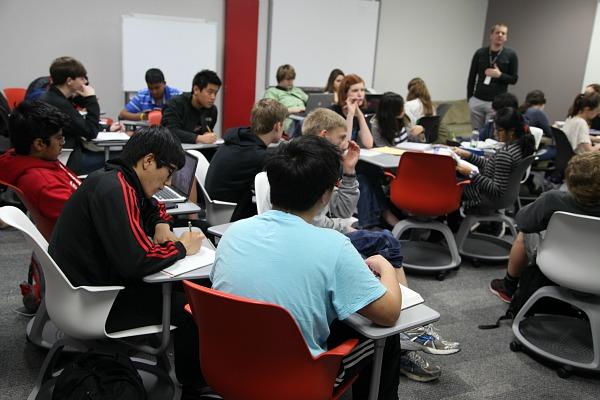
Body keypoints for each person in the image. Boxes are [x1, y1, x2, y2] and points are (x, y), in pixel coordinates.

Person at [210, 135, 402, 399]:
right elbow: (389, 314)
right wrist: (386, 267)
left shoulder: (234, 233)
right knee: (385, 337)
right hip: (294, 382)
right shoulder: (333, 245)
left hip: (226, 368)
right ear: (326, 194)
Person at [301, 108, 458, 381]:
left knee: (380, 238)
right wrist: (346, 227)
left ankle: (405, 333)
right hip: (316, 242)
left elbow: (337, 210)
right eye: (340, 138)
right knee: (385, 242)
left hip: (318, 237)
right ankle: (408, 330)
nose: (345, 143)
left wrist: (349, 172)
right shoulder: (307, 167)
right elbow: (318, 223)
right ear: (324, 136)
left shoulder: (315, 163)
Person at [48, 126, 207, 396]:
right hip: (96, 303)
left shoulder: (115, 177)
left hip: (85, 289)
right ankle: (194, 385)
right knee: (193, 307)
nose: (166, 183)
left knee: (185, 287)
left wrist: (159, 223)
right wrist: (181, 247)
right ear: (148, 161)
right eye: (167, 173)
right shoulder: (116, 190)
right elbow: (137, 262)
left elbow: (150, 205)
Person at [489, 152, 600, 302]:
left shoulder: (554, 199)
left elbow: (522, 221)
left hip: (559, 262)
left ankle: (508, 287)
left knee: (525, 232)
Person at [204, 98, 287, 221]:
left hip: (217, 211)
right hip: (231, 217)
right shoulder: (258, 156)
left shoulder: (237, 139)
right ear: (277, 126)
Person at [0, 101, 80, 227]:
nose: (62, 142)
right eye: (59, 138)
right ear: (39, 144)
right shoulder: (45, 184)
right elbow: (83, 223)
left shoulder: (38, 159)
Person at [38, 56, 123, 175]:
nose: (85, 82)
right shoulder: (59, 104)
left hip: (62, 155)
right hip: (68, 160)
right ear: (69, 81)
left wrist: (107, 128)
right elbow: (90, 131)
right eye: (82, 78)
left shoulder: (52, 97)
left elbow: (78, 125)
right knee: (124, 156)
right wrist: (91, 99)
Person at [454, 107, 535, 210]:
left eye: (499, 130)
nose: (495, 133)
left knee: (450, 184)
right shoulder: (519, 147)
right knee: (458, 179)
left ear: (511, 131)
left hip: (486, 197)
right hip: (505, 198)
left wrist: (471, 173)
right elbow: (493, 167)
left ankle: (450, 220)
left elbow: (497, 189)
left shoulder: (506, 154)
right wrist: (468, 155)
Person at [467, 23, 519, 130]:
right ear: (491, 35)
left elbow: (514, 79)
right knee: (476, 133)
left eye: (503, 33)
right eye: (497, 32)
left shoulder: (511, 55)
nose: (500, 35)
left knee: (490, 134)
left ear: (506, 37)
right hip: (477, 100)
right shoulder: (480, 53)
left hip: (496, 103)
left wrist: (500, 75)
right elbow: (471, 77)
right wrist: (470, 99)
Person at [161, 69, 221, 144]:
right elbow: (169, 131)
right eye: (210, 92)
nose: (213, 97)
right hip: (174, 150)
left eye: (215, 93)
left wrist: (209, 136)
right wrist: (199, 138)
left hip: (200, 150)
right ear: (196, 90)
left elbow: (207, 132)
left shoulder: (212, 110)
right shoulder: (174, 104)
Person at [329, 74, 374, 148]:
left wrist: (360, 115)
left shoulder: (360, 113)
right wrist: (350, 115)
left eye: (362, 90)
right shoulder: (333, 113)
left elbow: (368, 144)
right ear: (345, 94)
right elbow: (343, 146)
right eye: (355, 90)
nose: (360, 94)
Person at [263, 64, 308, 132]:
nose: (291, 82)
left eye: (292, 79)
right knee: (304, 125)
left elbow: (311, 102)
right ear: (280, 78)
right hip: (290, 122)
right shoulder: (272, 92)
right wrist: (292, 110)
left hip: (305, 119)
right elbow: (269, 112)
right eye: (288, 79)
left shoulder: (297, 90)